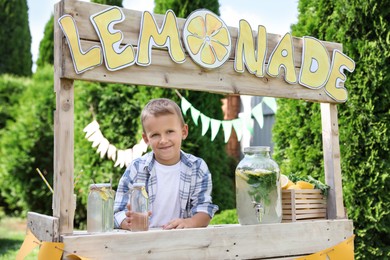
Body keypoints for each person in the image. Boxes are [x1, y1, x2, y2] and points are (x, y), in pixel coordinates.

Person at [114, 98, 218, 230]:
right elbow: (117, 211)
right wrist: (126, 222)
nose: (163, 140)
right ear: (146, 139)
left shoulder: (197, 168)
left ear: (184, 132)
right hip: (142, 242)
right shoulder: (137, 168)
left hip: (181, 241)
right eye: (155, 135)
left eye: (170, 132)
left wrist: (189, 223)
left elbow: (204, 210)